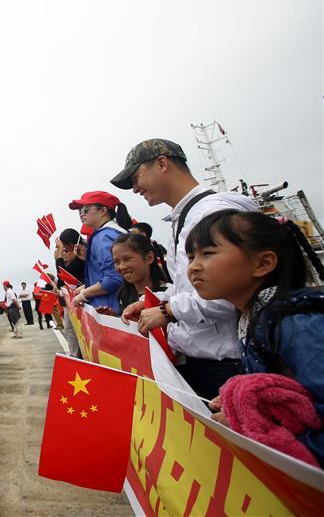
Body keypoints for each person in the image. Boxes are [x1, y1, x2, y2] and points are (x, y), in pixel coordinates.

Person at [110, 138, 258, 400]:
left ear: (162, 163)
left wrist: (167, 311)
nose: (134, 188)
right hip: (202, 360)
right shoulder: (186, 217)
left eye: (136, 177)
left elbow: (228, 293)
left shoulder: (212, 213)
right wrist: (151, 302)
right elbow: (187, 288)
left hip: (226, 364)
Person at [184, 210, 324, 463]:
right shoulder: (255, 318)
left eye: (208, 253)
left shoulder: (298, 325)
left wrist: (246, 424)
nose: (193, 266)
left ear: (263, 264)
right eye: (191, 256)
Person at [69, 191, 130, 313]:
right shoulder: (115, 232)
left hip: (110, 310)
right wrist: (89, 258)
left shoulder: (103, 237)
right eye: (79, 211)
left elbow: (114, 278)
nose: (81, 214)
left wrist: (84, 294)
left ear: (103, 211)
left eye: (85, 209)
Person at [108, 234, 168, 313]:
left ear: (149, 258)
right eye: (116, 262)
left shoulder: (167, 294)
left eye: (127, 259)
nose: (122, 267)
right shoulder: (123, 293)